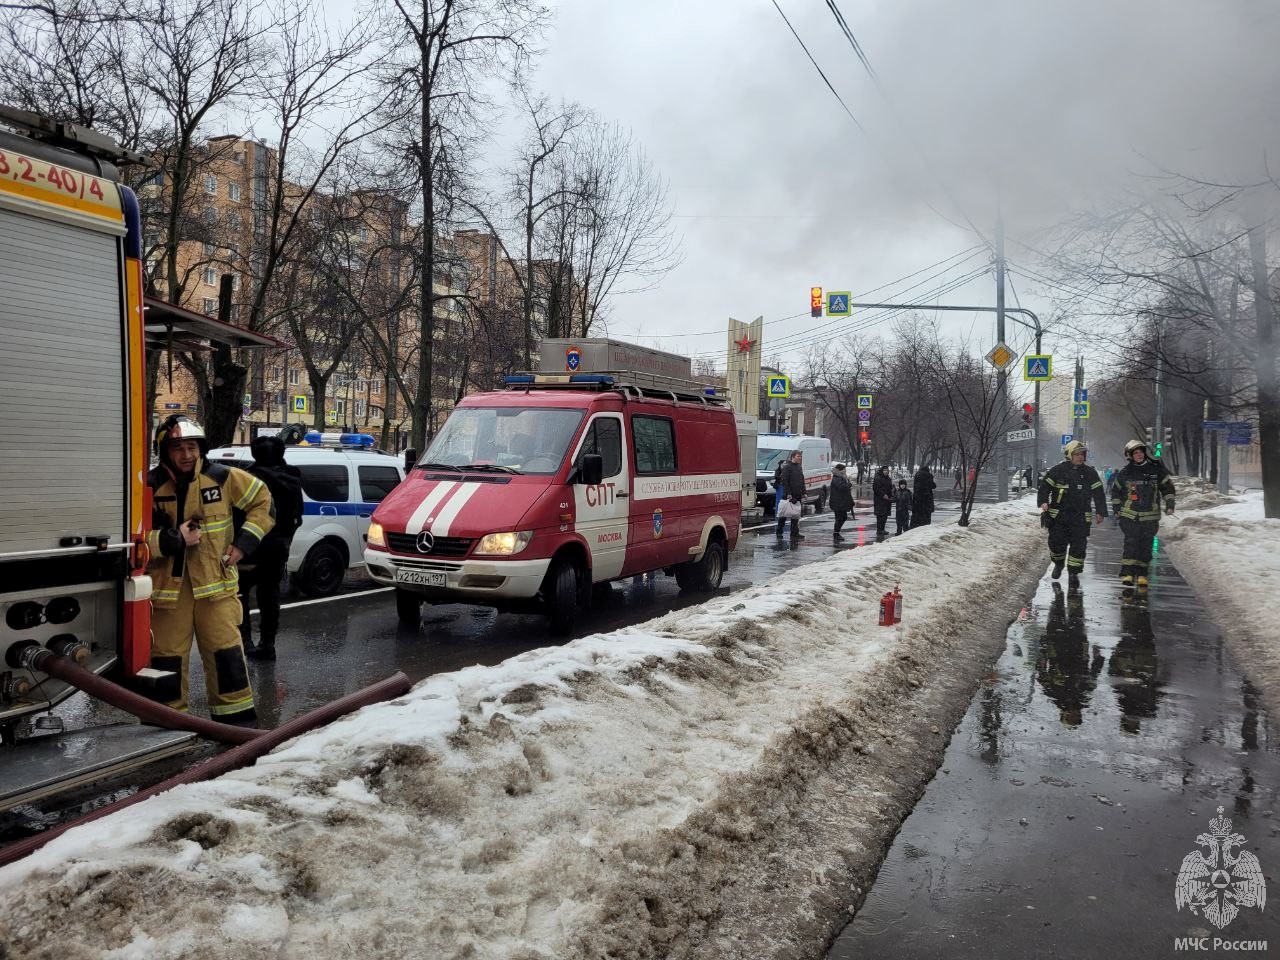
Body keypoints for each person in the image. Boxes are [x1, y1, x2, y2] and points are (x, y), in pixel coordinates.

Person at [146, 415, 274, 724]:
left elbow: (264, 502)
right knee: (166, 660)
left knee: (226, 655)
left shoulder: (222, 478)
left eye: (191, 447)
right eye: (178, 448)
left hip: (216, 590)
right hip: (167, 594)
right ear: (164, 451)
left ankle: (238, 725)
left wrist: (243, 544)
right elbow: (130, 537)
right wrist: (172, 539)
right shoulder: (147, 486)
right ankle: (165, 726)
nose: (186, 455)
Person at [238, 435, 304, 662]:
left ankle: (245, 642)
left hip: (251, 546)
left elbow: (239, 514)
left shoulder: (248, 477)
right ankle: (268, 644)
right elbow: (298, 516)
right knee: (270, 596)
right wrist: (285, 539)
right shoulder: (293, 477)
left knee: (241, 595)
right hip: (277, 549)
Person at [1037, 439, 1107, 589]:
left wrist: (1101, 512)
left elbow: (1099, 493)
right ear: (1069, 455)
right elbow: (1044, 487)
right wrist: (1043, 501)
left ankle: (1073, 573)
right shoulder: (1057, 471)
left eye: (1082, 454)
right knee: (1056, 544)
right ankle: (1058, 563)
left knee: (1079, 546)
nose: (1080, 457)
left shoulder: (1090, 473)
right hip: (1059, 517)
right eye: (1077, 454)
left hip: (1080, 518)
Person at [1109, 439, 1176, 588]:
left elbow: (1168, 488)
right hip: (1129, 516)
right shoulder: (1125, 473)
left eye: (1141, 452)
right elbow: (1115, 492)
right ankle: (1127, 573)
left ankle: (1142, 574)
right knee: (1131, 544)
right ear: (1130, 456)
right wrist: (1117, 509)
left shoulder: (1156, 470)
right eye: (1135, 453)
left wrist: (1170, 504)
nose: (1139, 455)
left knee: (1145, 546)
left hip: (1150, 517)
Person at [775, 449, 807, 541]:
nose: (800, 458)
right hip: (788, 495)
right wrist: (788, 493)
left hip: (798, 494)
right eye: (798, 456)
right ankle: (779, 531)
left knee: (796, 514)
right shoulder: (787, 467)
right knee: (784, 513)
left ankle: (794, 533)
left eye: (800, 456)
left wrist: (804, 492)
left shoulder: (799, 467)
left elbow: (802, 480)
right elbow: (784, 481)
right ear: (793, 457)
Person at [829, 462, 854, 541]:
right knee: (840, 518)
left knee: (842, 517)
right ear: (840, 471)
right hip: (837, 502)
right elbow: (842, 487)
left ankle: (837, 532)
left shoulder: (842, 477)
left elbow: (846, 486)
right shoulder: (836, 478)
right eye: (844, 470)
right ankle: (836, 533)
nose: (845, 471)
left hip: (841, 502)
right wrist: (848, 484)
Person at [872, 465, 893, 541]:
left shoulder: (888, 478)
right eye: (884, 470)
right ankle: (879, 530)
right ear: (882, 471)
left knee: (885, 515)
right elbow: (876, 488)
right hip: (880, 500)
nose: (886, 471)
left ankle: (882, 529)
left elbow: (890, 488)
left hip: (887, 500)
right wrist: (883, 495)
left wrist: (892, 491)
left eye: (887, 470)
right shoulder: (878, 478)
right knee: (880, 515)